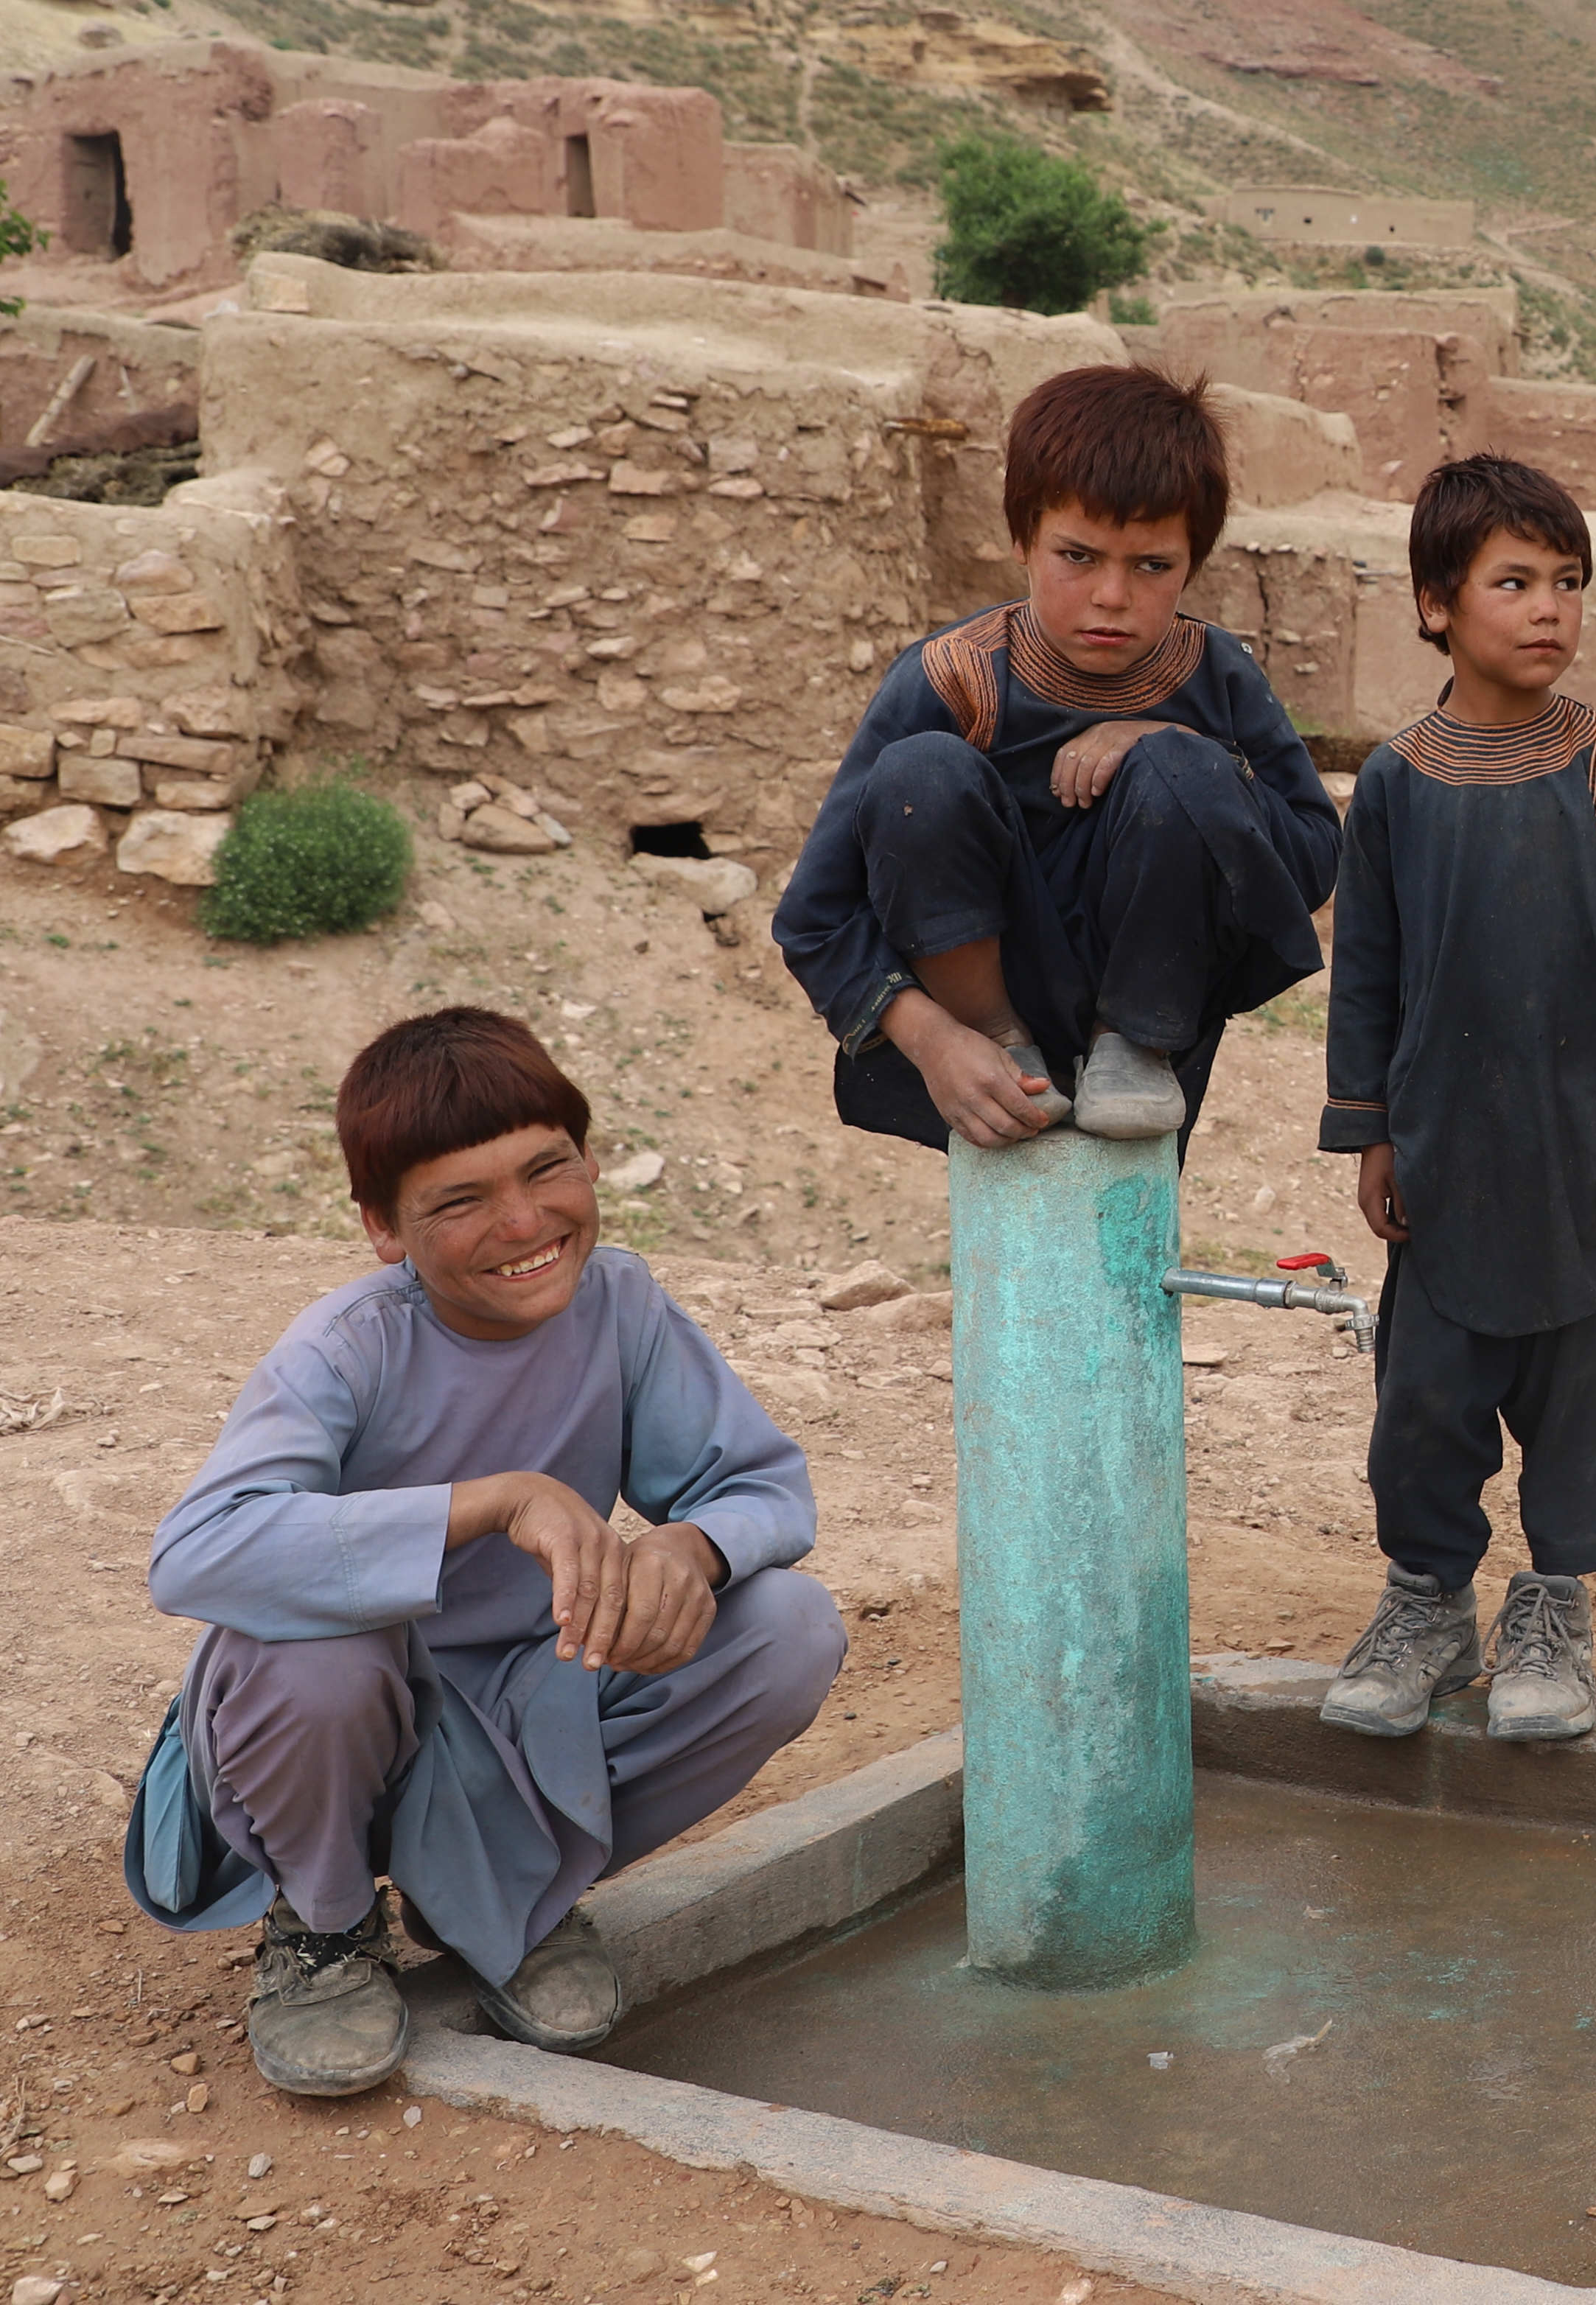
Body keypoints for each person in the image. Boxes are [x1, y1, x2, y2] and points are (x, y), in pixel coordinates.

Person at [125, 1007, 847, 2097]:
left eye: (546, 1170)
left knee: (788, 1629)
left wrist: (693, 1552)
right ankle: (322, 1929)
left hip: (527, 1701)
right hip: (345, 1721)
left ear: (590, 1159)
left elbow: (760, 1488)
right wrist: (494, 1503)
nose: (523, 1222)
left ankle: (511, 1897)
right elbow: (197, 1554)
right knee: (320, 1662)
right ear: (383, 1227)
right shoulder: (348, 1348)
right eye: (459, 1201)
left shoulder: (623, 1308)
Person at [1313, 453, 1596, 1746]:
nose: (1549, 607)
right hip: (1450, 1155)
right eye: (1514, 582)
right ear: (1437, 603)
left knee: (1587, 1397)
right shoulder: (1397, 781)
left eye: (1568, 583)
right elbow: (1367, 971)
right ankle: (1430, 1607)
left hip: (1595, 1157)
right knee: (1425, 1401)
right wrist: (1370, 1127)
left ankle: (1551, 1615)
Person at [774, 362, 1341, 1152]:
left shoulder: (1214, 672)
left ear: (1194, 560)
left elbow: (1315, 854)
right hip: (981, 1013)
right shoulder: (954, 675)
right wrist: (935, 1040)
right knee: (920, 775)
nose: (1113, 594)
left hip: (1156, 1007)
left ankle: (1128, 1040)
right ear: (1022, 539)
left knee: (1188, 765)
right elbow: (815, 913)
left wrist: (1177, 745)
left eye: (1153, 565)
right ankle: (1004, 1049)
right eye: (1078, 555)